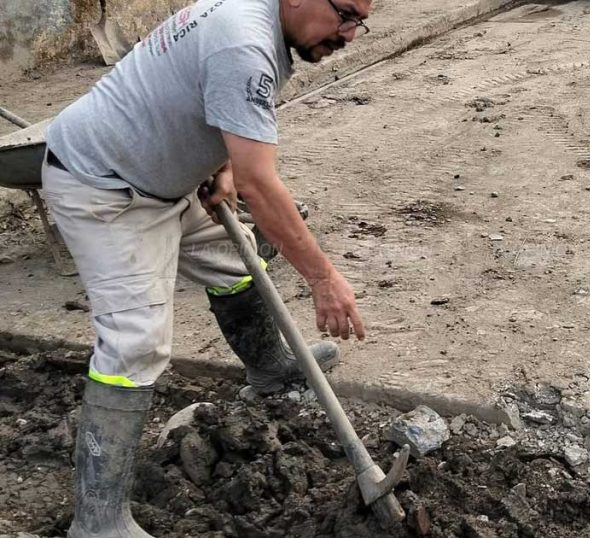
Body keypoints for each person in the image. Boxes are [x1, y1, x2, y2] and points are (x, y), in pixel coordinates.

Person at [40, 0, 372, 535]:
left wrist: (219, 164)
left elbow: (204, 97)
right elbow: (261, 186)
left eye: (360, 21)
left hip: (161, 178)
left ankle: (269, 368)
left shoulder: (259, 21)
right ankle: (97, 521)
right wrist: (323, 279)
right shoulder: (245, 42)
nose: (351, 34)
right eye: (346, 14)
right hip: (104, 189)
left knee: (231, 260)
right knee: (135, 343)